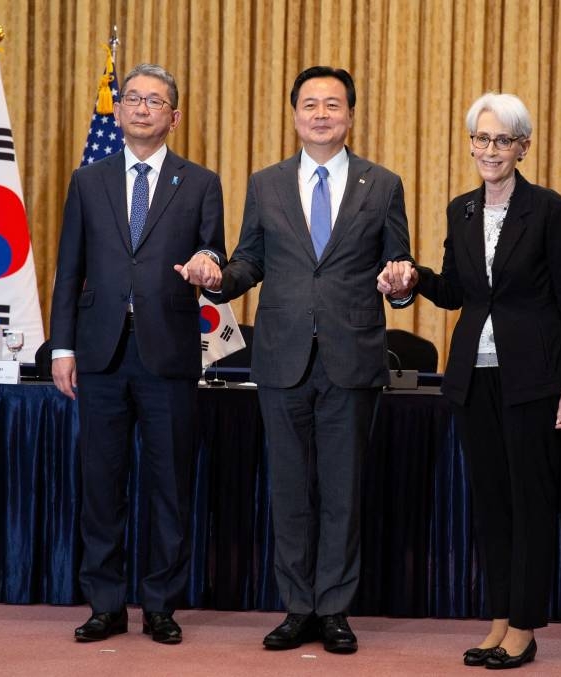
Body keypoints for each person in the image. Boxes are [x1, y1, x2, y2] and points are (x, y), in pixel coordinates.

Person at [199, 66, 415, 654]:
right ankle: (297, 608)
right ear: (295, 114)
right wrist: (219, 280)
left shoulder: (383, 183)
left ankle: (336, 610)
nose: (321, 114)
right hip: (281, 357)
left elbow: (399, 264)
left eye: (333, 105)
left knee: (343, 491)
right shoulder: (266, 184)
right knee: (290, 490)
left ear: (350, 116)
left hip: (353, 355)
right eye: (310, 104)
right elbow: (249, 261)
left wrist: (401, 281)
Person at [380, 92, 561, 669]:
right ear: (470, 142)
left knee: (531, 504)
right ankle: (498, 618)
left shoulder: (548, 209)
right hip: (474, 380)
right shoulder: (461, 210)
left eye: (502, 140)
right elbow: (458, 292)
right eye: (481, 138)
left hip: (534, 381)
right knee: (493, 504)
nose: (489, 150)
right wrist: (413, 277)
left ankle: (524, 625)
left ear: (523, 147)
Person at [49, 63, 226, 645]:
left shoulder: (199, 182)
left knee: (170, 485)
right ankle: (104, 603)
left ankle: (160, 604)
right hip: (99, 353)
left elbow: (213, 255)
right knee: (101, 483)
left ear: (174, 116)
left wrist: (209, 265)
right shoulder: (88, 179)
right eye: (133, 99)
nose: (142, 108)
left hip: (169, 352)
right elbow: (69, 268)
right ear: (118, 111)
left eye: (155, 101)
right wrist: (63, 345)